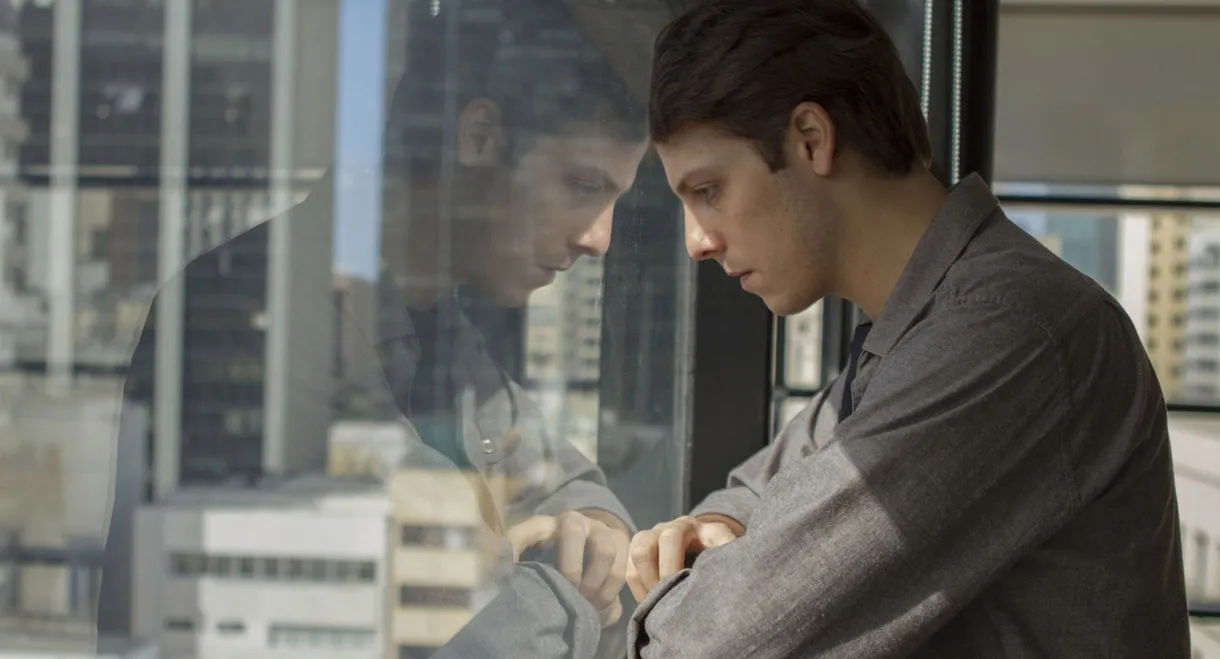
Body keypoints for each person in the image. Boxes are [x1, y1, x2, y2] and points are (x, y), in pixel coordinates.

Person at [625, 1, 1191, 657]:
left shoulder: (1013, 329)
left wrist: (702, 584)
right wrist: (716, 527)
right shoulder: (910, 331)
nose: (698, 240)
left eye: (708, 189)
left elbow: (719, 641)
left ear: (810, 138)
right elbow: (751, 491)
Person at [100, 0, 650, 656]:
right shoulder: (252, 313)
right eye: (583, 186)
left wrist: (591, 531)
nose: (600, 239)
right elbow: (477, 628)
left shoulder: (439, 323)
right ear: (478, 135)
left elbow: (564, 486)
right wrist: (571, 597)